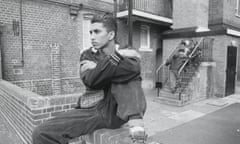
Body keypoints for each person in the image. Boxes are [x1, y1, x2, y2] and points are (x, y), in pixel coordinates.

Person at [32, 13, 146, 144]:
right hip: (93, 109)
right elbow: (92, 80)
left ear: (111, 35)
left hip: (118, 111)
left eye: (97, 32)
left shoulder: (126, 50)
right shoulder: (87, 55)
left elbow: (133, 69)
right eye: (90, 32)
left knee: (128, 76)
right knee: (41, 133)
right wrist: (115, 58)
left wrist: (99, 67)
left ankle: (137, 126)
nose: (92, 37)